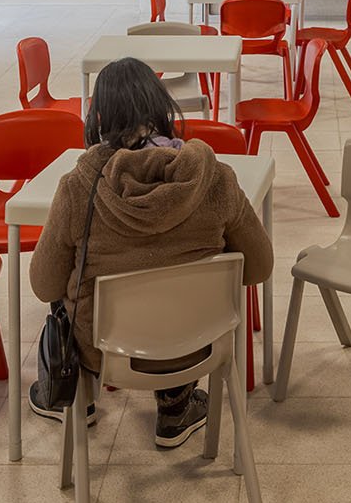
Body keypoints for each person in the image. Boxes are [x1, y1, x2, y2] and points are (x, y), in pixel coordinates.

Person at [28, 58, 271, 449]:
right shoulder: (216, 180)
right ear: (162, 106)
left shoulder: (77, 187)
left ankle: (80, 400)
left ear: (99, 117)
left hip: (103, 352)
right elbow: (259, 267)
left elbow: (44, 285)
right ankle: (176, 406)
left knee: (65, 280)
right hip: (200, 343)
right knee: (177, 281)